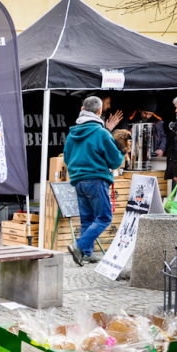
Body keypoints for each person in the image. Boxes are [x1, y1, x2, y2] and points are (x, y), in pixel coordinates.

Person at [64, 96, 124, 266]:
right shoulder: (101, 133)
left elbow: (67, 158)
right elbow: (115, 161)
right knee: (104, 218)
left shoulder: (72, 133)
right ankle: (79, 246)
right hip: (96, 179)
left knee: (87, 219)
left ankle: (86, 253)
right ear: (99, 111)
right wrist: (121, 153)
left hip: (78, 181)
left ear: (82, 110)